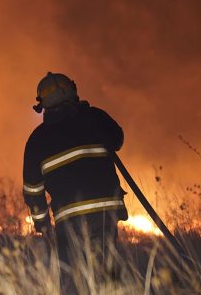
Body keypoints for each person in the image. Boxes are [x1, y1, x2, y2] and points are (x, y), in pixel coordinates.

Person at [23, 72, 128, 290]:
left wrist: (43, 225)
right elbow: (117, 139)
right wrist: (87, 114)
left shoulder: (36, 140)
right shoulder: (94, 117)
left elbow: (33, 191)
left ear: (42, 104)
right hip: (104, 213)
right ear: (72, 91)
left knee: (72, 282)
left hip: (68, 221)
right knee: (107, 277)